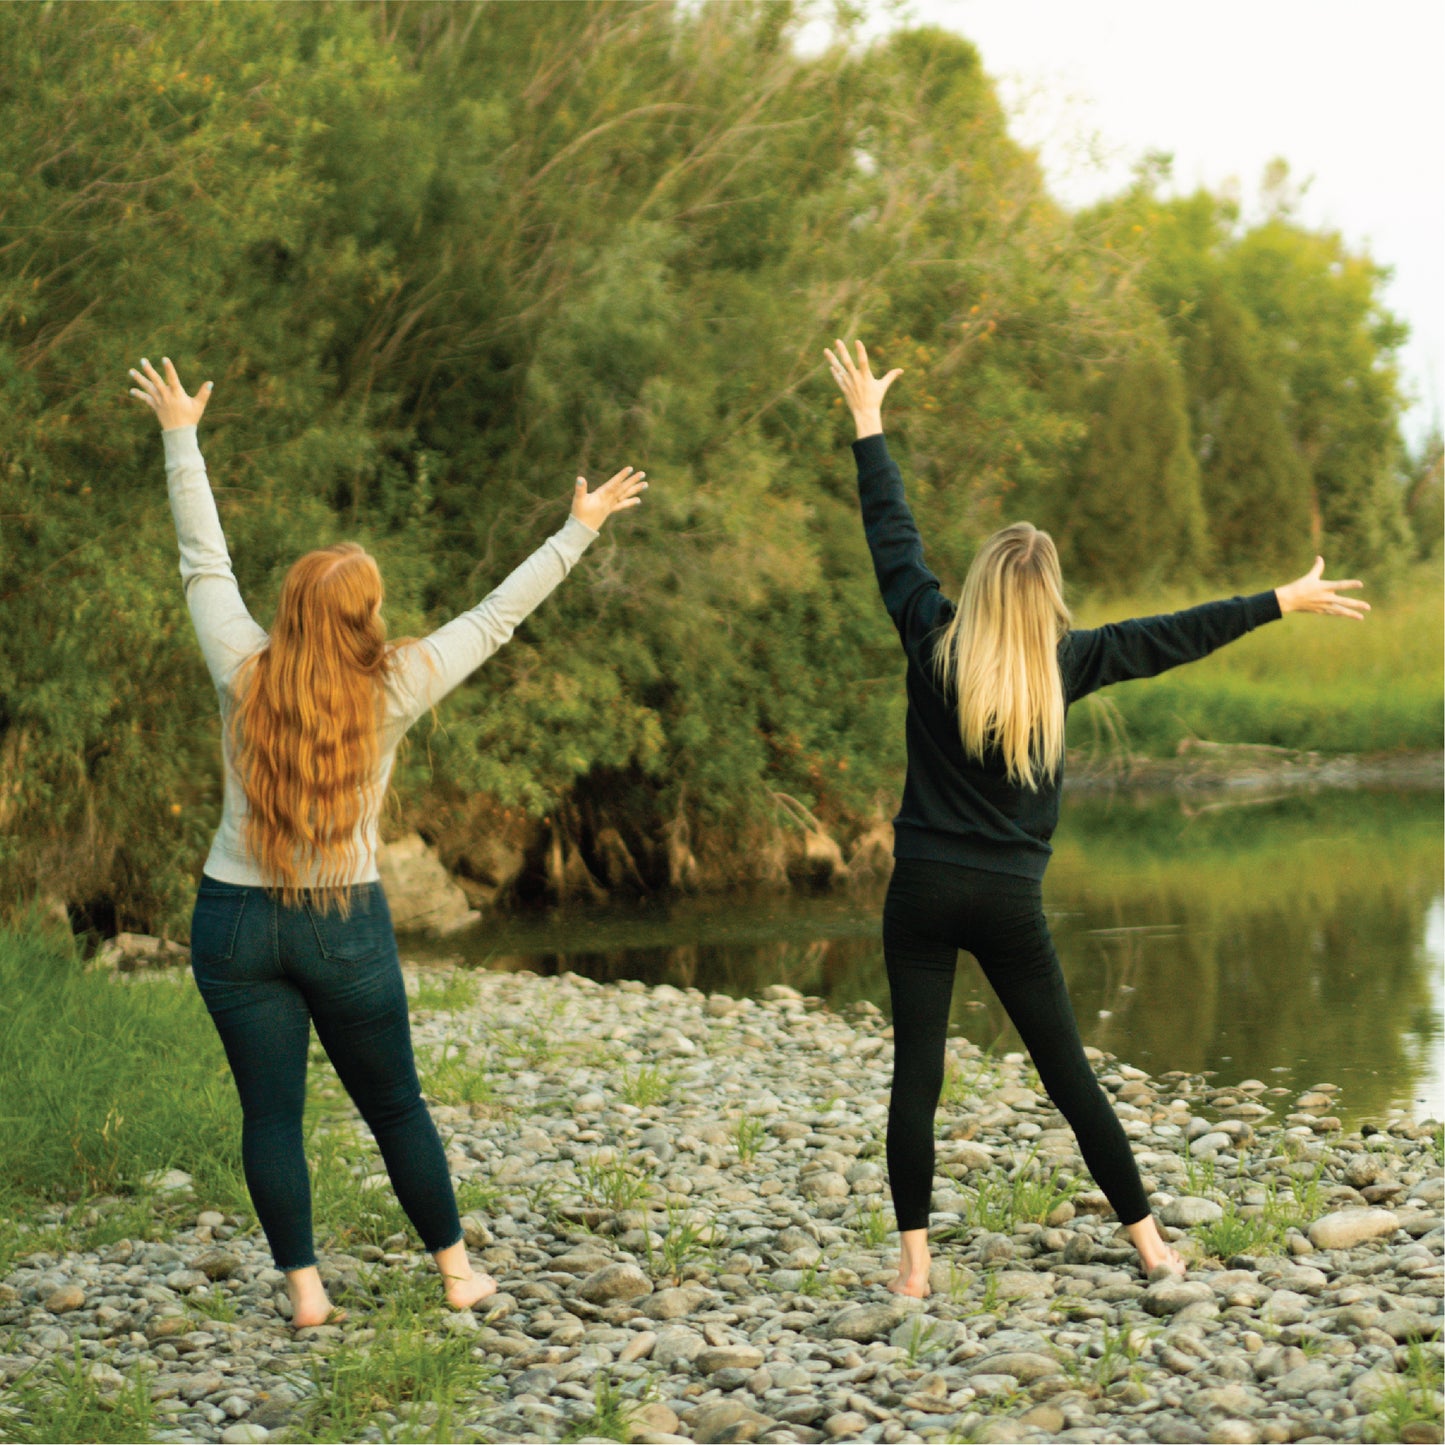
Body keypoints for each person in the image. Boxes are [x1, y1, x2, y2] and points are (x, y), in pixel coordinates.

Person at [824, 338, 1368, 1297]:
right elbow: (1172, 635)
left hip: (918, 890)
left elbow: (891, 534)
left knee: (917, 1079)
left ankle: (913, 1270)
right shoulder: (1065, 664)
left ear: (984, 585)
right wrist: (1278, 599)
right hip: (1006, 901)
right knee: (1069, 1076)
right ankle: (1153, 1248)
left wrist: (867, 424)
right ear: (1048, 599)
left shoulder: (929, 637)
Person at [128, 356, 647, 1326]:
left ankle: (307, 1294)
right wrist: (577, 530)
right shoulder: (395, 683)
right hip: (341, 924)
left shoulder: (240, 665)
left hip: (231, 921)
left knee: (271, 1114)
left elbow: (205, 560)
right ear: (365, 616)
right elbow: (495, 619)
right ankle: (456, 1272)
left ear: (289, 611)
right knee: (395, 1104)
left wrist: (180, 433)